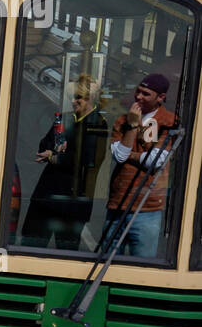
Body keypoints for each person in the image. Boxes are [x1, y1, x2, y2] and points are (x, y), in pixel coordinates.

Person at [18, 74, 108, 251]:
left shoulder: (97, 124)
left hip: (73, 200)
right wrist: (52, 151)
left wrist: (53, 156)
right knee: (31, 244)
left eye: (78, 98)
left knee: (66, 249)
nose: (74, 102)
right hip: (47, 195)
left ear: (90, 98)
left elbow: (85, 160)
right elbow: (44, 143)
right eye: (72, 98)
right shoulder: (65, 118)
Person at [105, 71, 178, 258]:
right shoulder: (124, 120)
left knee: (142, 263)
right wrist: (132, 126)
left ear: (161, 97)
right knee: (108, 261)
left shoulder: (169, 121)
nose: (138, 97)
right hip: (118, 205)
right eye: (138, 91)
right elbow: (120, 157)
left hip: (148, 208)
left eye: (146, 94)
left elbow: (156, 161)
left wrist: (131, 153)